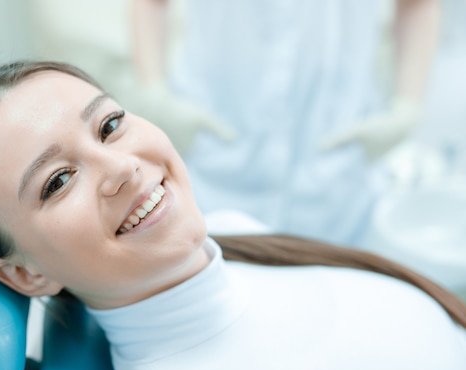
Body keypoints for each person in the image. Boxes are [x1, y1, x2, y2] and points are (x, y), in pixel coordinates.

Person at [0, 60, 466, 370]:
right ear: (27, 274)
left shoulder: (229, 232)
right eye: (58, 181)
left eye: (109, 126)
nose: (121, 168)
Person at [131, 0, 441, 246]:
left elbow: (417, 3)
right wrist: (155, 91)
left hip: (337, 159)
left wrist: (407, 108)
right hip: (215, 147)